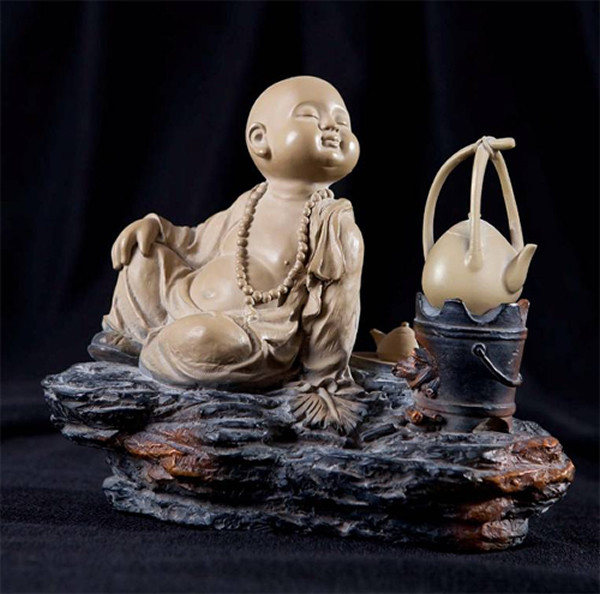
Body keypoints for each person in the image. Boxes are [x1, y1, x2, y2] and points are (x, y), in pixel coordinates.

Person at [89, 76, 365, 431]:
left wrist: (324, 378)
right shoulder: (251, 200)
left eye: (343, 122)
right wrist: (158, 228)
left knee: (202, 340)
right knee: (144, 257)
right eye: (312, 116)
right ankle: (134, 338)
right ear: (260, 140)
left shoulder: (333, 227)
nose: (332, 127)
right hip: (184, 298)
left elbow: (336, 313)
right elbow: (195, 242)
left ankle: (158, 348)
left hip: (253, 334)